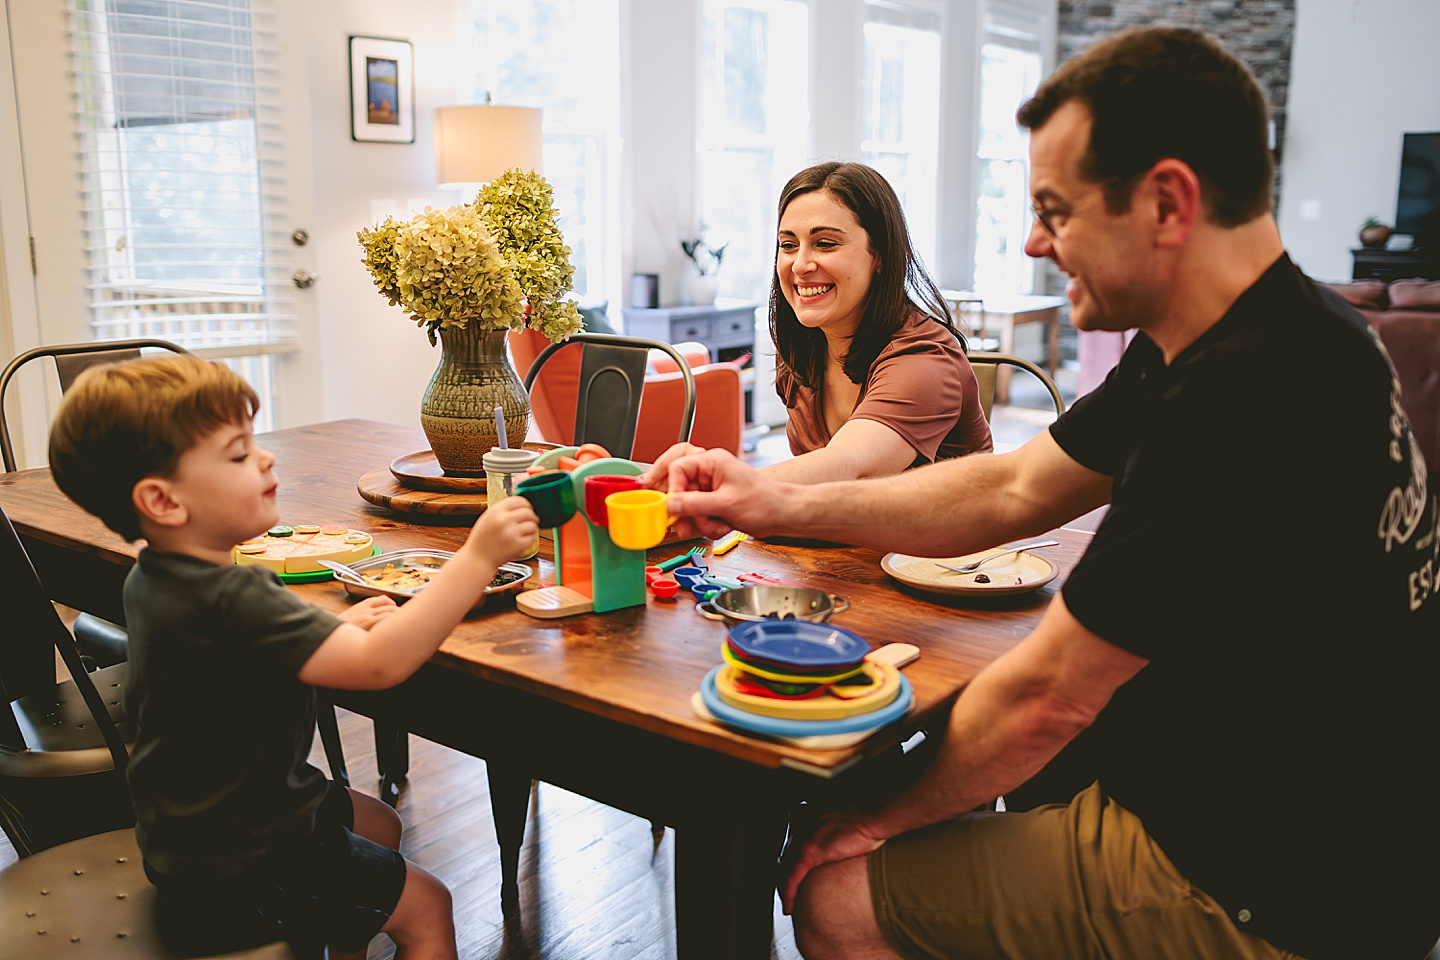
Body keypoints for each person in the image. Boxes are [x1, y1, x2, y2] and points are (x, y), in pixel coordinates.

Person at [657, 26, 1440, 960]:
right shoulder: (1269, 330)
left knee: (832, 894)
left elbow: (1048, 696)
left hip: (1274, 884)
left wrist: (878, 813)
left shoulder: (1244, 397)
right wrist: (768, 500)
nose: (1033, 240)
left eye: (1055, 209)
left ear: (1166, 202)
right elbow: (1013, 485)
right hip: (1305, 816)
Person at [47, 354, 539, 960]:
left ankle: (341, 931)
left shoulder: (155, 579)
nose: (266, 458)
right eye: (237, 453)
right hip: (249, 853)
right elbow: (379, 666)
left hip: (190, 831)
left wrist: (332, 627)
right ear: (164, 501)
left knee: (379, 824)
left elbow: (241, 658)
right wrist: (477, 558)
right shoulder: (237, 597)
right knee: (429, 905)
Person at [645, 162, 992, 488]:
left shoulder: (925, 361)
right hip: (849, 547)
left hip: (941, 553)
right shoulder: (807, 351)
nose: (800, 264)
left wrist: (721, 480)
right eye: (788, 245)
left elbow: (849, 466)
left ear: (880, 255)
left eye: (825, 243)